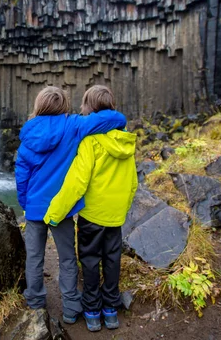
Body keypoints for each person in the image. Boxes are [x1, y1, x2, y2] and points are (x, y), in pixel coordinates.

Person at [15, 86, 126, 324]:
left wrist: (25, 203)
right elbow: (109, 118)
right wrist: (120, 117)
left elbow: (21, 174)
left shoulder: (28, 133)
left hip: (34, 208)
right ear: (64, 105)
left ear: (39, 105)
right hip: (62, 209)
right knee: (66, 258)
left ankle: (35, 302)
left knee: (34, 258)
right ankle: (71, 307)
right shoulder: (73, 125)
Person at [43, 85, 138, 332]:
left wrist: (55, 213)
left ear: (91, 108)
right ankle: (111, 310)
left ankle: (93, 312)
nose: (81, 110)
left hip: (92, 216)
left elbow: (76, 182)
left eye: (84, 105)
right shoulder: (126, 141)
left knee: (89, 260)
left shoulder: (91, 141)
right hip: (115, 216)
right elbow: (133, 182)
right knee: (112, 260)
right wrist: (122, 209)